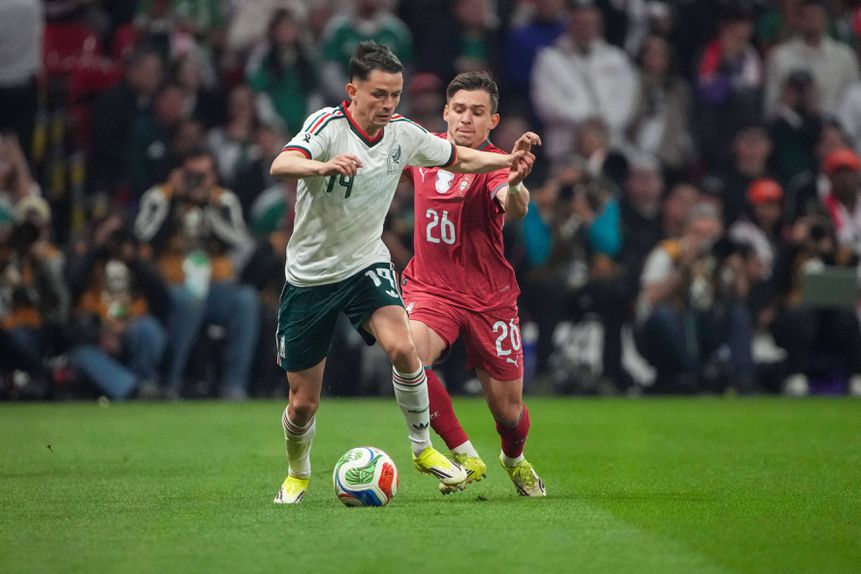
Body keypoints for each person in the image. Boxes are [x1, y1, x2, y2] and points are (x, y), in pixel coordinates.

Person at [268, 42, 538, 504]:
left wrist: (510, 167)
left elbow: (479, 174)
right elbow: (281, 163)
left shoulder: (404, 135)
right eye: (379, 94)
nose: (389, 104)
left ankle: (432, 450)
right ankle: (298, 472)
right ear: (353, 91)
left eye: (395, 94)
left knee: (419, 358)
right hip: (315, 276)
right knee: (303, 403)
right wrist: (322, 165)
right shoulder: (328, 126)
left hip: (379, 267)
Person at [398, 71, 545, 496]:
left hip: (488, 298)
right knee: (408, 355)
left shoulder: (496, 165)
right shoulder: (423, 150)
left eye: (478, 112)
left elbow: (514, 207)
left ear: (493, 121)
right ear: (445, 112)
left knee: (508, 411)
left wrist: (516, 182)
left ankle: (513, 459)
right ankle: (463, 454)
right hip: (431, 289)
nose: (466, 118)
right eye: (459, 109)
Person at [134, 148, 259, 400]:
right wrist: (174, 200)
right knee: (189, 302)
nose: (196, 181)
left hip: (213, 284)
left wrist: (207, 206)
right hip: (172, 284)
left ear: (214, 175)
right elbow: (142, 237)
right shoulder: (159, 197)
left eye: (202, 175)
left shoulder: (223, 200)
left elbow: (238, 240)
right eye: (191, 174)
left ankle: (234, 386)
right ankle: (170, 385)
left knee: (245, 300)